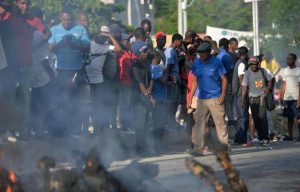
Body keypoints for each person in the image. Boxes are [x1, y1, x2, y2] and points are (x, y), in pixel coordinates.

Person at [188, 42, 247, 192]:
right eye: (199, 53)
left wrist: (222, 96)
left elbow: (224, 79)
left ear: (208, 52)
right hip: (201, 98)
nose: (201, 55)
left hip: (215, 98)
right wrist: (190, 97)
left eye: (203, 53)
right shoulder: (197, 63)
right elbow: (194, 80)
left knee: (220, 124)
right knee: (199, 123)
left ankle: (224, 148)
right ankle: (198, 147)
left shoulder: (217, 62)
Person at [48, 9, 90, 136]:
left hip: (76, 69)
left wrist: (75, 46)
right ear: (61, 19)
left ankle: (75, 129)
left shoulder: (80, 29)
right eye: (64, 20)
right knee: (63, 99)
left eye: (69, 20)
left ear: (72, 19)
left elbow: (87, 47)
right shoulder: (54, 29)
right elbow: (50, 48)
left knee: (76, 99)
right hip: (61, 70)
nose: (67, 22)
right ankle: (64, 128)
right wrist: (62, 43)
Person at [85, 26, 121, 134]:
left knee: (99, 105)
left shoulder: (106, 47)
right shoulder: (90, 44)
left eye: (105, 34)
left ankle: (100, 129)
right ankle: (94, 129)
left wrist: (110, 37)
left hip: (99, 80)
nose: (102, 36)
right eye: (101, 34)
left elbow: (118, 49)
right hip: (88, 80)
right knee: (91, 105)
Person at [241, 56, 273, 144]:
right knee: (256, 119)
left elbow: (270, 80)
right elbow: (244, 86)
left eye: (254, 64)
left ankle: (266, 137)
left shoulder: (263, 71)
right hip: (252, 99)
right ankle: (260, 137)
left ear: (258, 64)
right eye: (251, 64)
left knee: (262, 117)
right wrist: (242, 99)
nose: (253, 66)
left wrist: (268, 88)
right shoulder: (247, 73)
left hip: (262, 97)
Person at [131, 41, 152, 154]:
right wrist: (148, 95)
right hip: (138, 99)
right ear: (139, 53)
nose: (146, 53)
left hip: (146, 97)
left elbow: (151, 79)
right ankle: (139, 148)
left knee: (146, 123)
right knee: (140, 124)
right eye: (144, 52)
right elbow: (140, 83)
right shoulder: (135, 66)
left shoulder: (146, 64)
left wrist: (150, 91)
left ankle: (145, 146)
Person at [149, 50, 168, 153]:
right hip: (158, 99)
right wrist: (166, 72)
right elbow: (163, 81)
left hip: (161, 98)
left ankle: (159, 145)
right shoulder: (154, 68)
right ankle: (157, 146)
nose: (160, 59)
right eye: (159, 57)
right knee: (158, 124)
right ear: (156, 57)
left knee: (160, 123)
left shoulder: (155, 68)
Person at [117, 32, 136, 131]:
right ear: (121, 41)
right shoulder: (120, 52)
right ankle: (123, 125)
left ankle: (127, 124)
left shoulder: (130, 52)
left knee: (128, 104)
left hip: (130, 83)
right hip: (122, 83)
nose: (128, 42)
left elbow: (134, 61)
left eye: (129, 41)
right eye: (126, 41)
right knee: (124, 105)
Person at [165, 33, 183, 129]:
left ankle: (171, 120)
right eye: (181, 41)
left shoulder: (170, 50)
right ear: (176, 41)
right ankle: (170, 120)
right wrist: (169, 77)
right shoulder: (171, 51)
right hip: (173, 80)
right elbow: (169, 66)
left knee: (173, 101)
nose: (181, 43)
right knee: (173, 101)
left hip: (173, 79)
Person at [232, 46, 249, 145]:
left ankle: (238, 139)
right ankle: (242, 139)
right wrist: (243, 95)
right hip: (240, 93)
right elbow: (241, 80)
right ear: (246, 54)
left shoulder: (239, 62)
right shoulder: (242, 64)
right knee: (243, 117)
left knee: (240, 117)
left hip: (238, 93)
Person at [280, 53, 300, 141]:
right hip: (287, 97)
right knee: (289, 117)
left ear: (294, 60)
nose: (288, 61)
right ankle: (290, 135)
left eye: (290, 59)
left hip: (296, 97)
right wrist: (281, 95)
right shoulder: (286, 70)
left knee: (298, 117)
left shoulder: (298, 70)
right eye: (287, 59)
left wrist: (299, 99)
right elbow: (284, 84)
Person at [217, 38, 235, 124]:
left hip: (215, 82)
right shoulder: (226, 55)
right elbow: (231, 69)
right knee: (227, 101)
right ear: (225, 46)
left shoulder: (215, 54)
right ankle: (230, 120)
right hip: (225, 81)